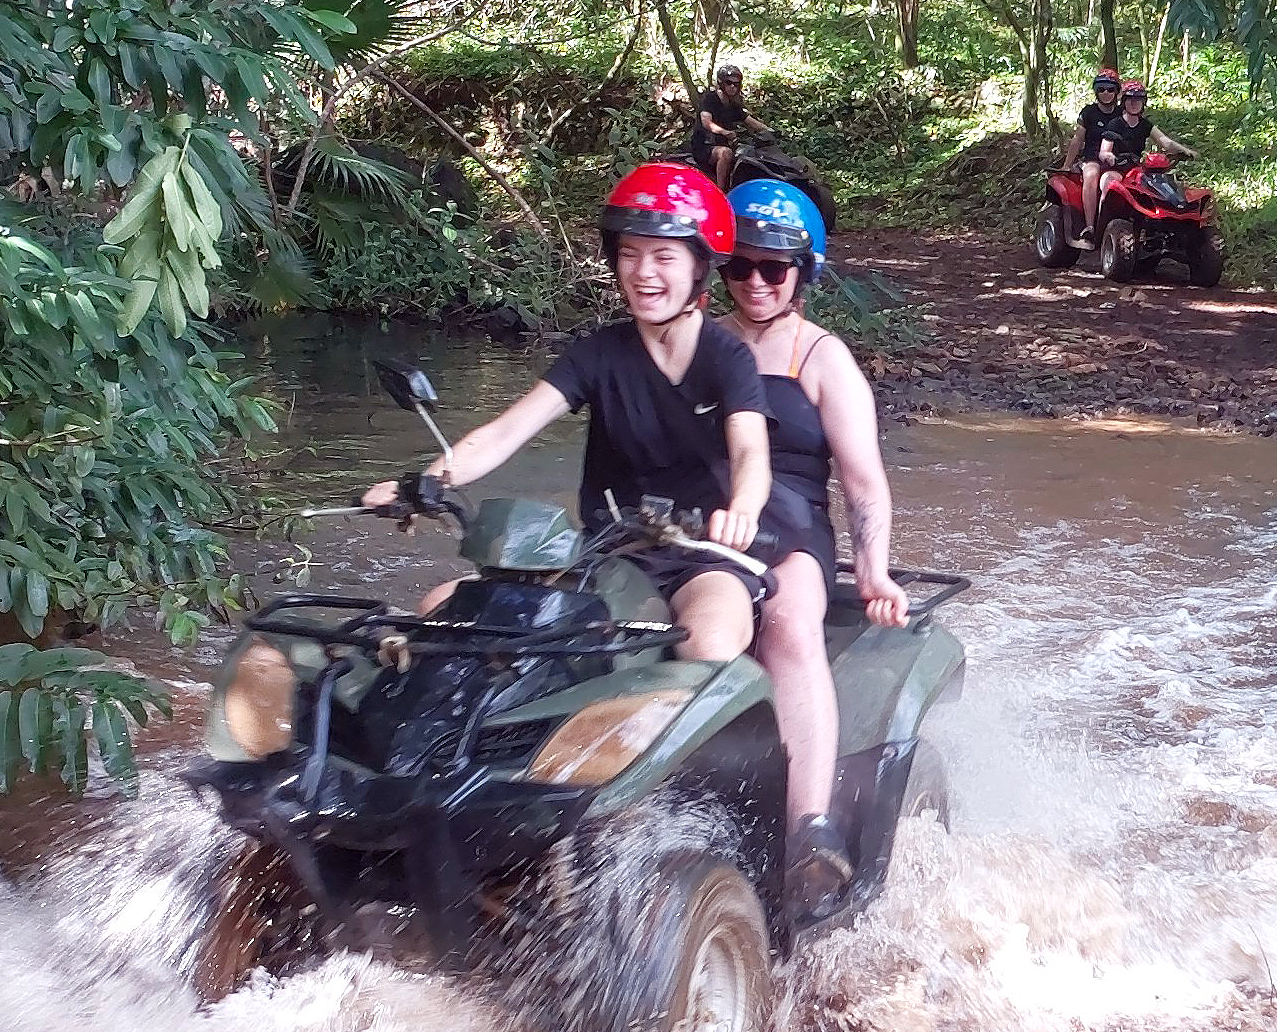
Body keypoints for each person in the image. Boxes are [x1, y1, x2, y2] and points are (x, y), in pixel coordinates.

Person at [363, 162, 778, 671]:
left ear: (699, 268)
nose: (644, 272)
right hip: (607, 551)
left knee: (708, 642)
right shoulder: (598, 354)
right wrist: (421, 485)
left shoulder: (728, 359)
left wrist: (743, 511)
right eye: (630, 255)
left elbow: (750, 450)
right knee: (444, 611)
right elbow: (505, 433)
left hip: (707, 556)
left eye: (664, 256)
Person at [717, 178, 909, 913]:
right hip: (699, 516)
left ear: (804, 272)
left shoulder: (823, 359)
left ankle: (810, 826)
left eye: (774, 268)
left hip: (789, 520)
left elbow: (862, 482)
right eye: (740, 266)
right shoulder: (697, 341)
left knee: (790, 622)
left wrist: (872, 571)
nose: (756, 282)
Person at [1057, 68, 1123, 256]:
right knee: (1092, 174)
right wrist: (1067, 164)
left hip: (1117, 160)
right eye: (1101, 89)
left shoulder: (1122, 113)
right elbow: (1078, 139)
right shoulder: (1089, 113)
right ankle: (1090, 226)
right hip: (1093, 158)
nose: (1106, 93)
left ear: (1117, 92)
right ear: (1096, 91)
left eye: (1110, 89)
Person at [688, 65, 751, 187]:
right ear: (721, 83)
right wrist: (724, 132)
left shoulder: (733, 104)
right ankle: (721, 190)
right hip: (704, 147)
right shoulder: (710, 99)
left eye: (736, 84)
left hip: (723, 144)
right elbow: (706, 122)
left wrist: (770, 131)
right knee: (725, 153)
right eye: (729, 83)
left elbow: (749, 120)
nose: (732, 86)